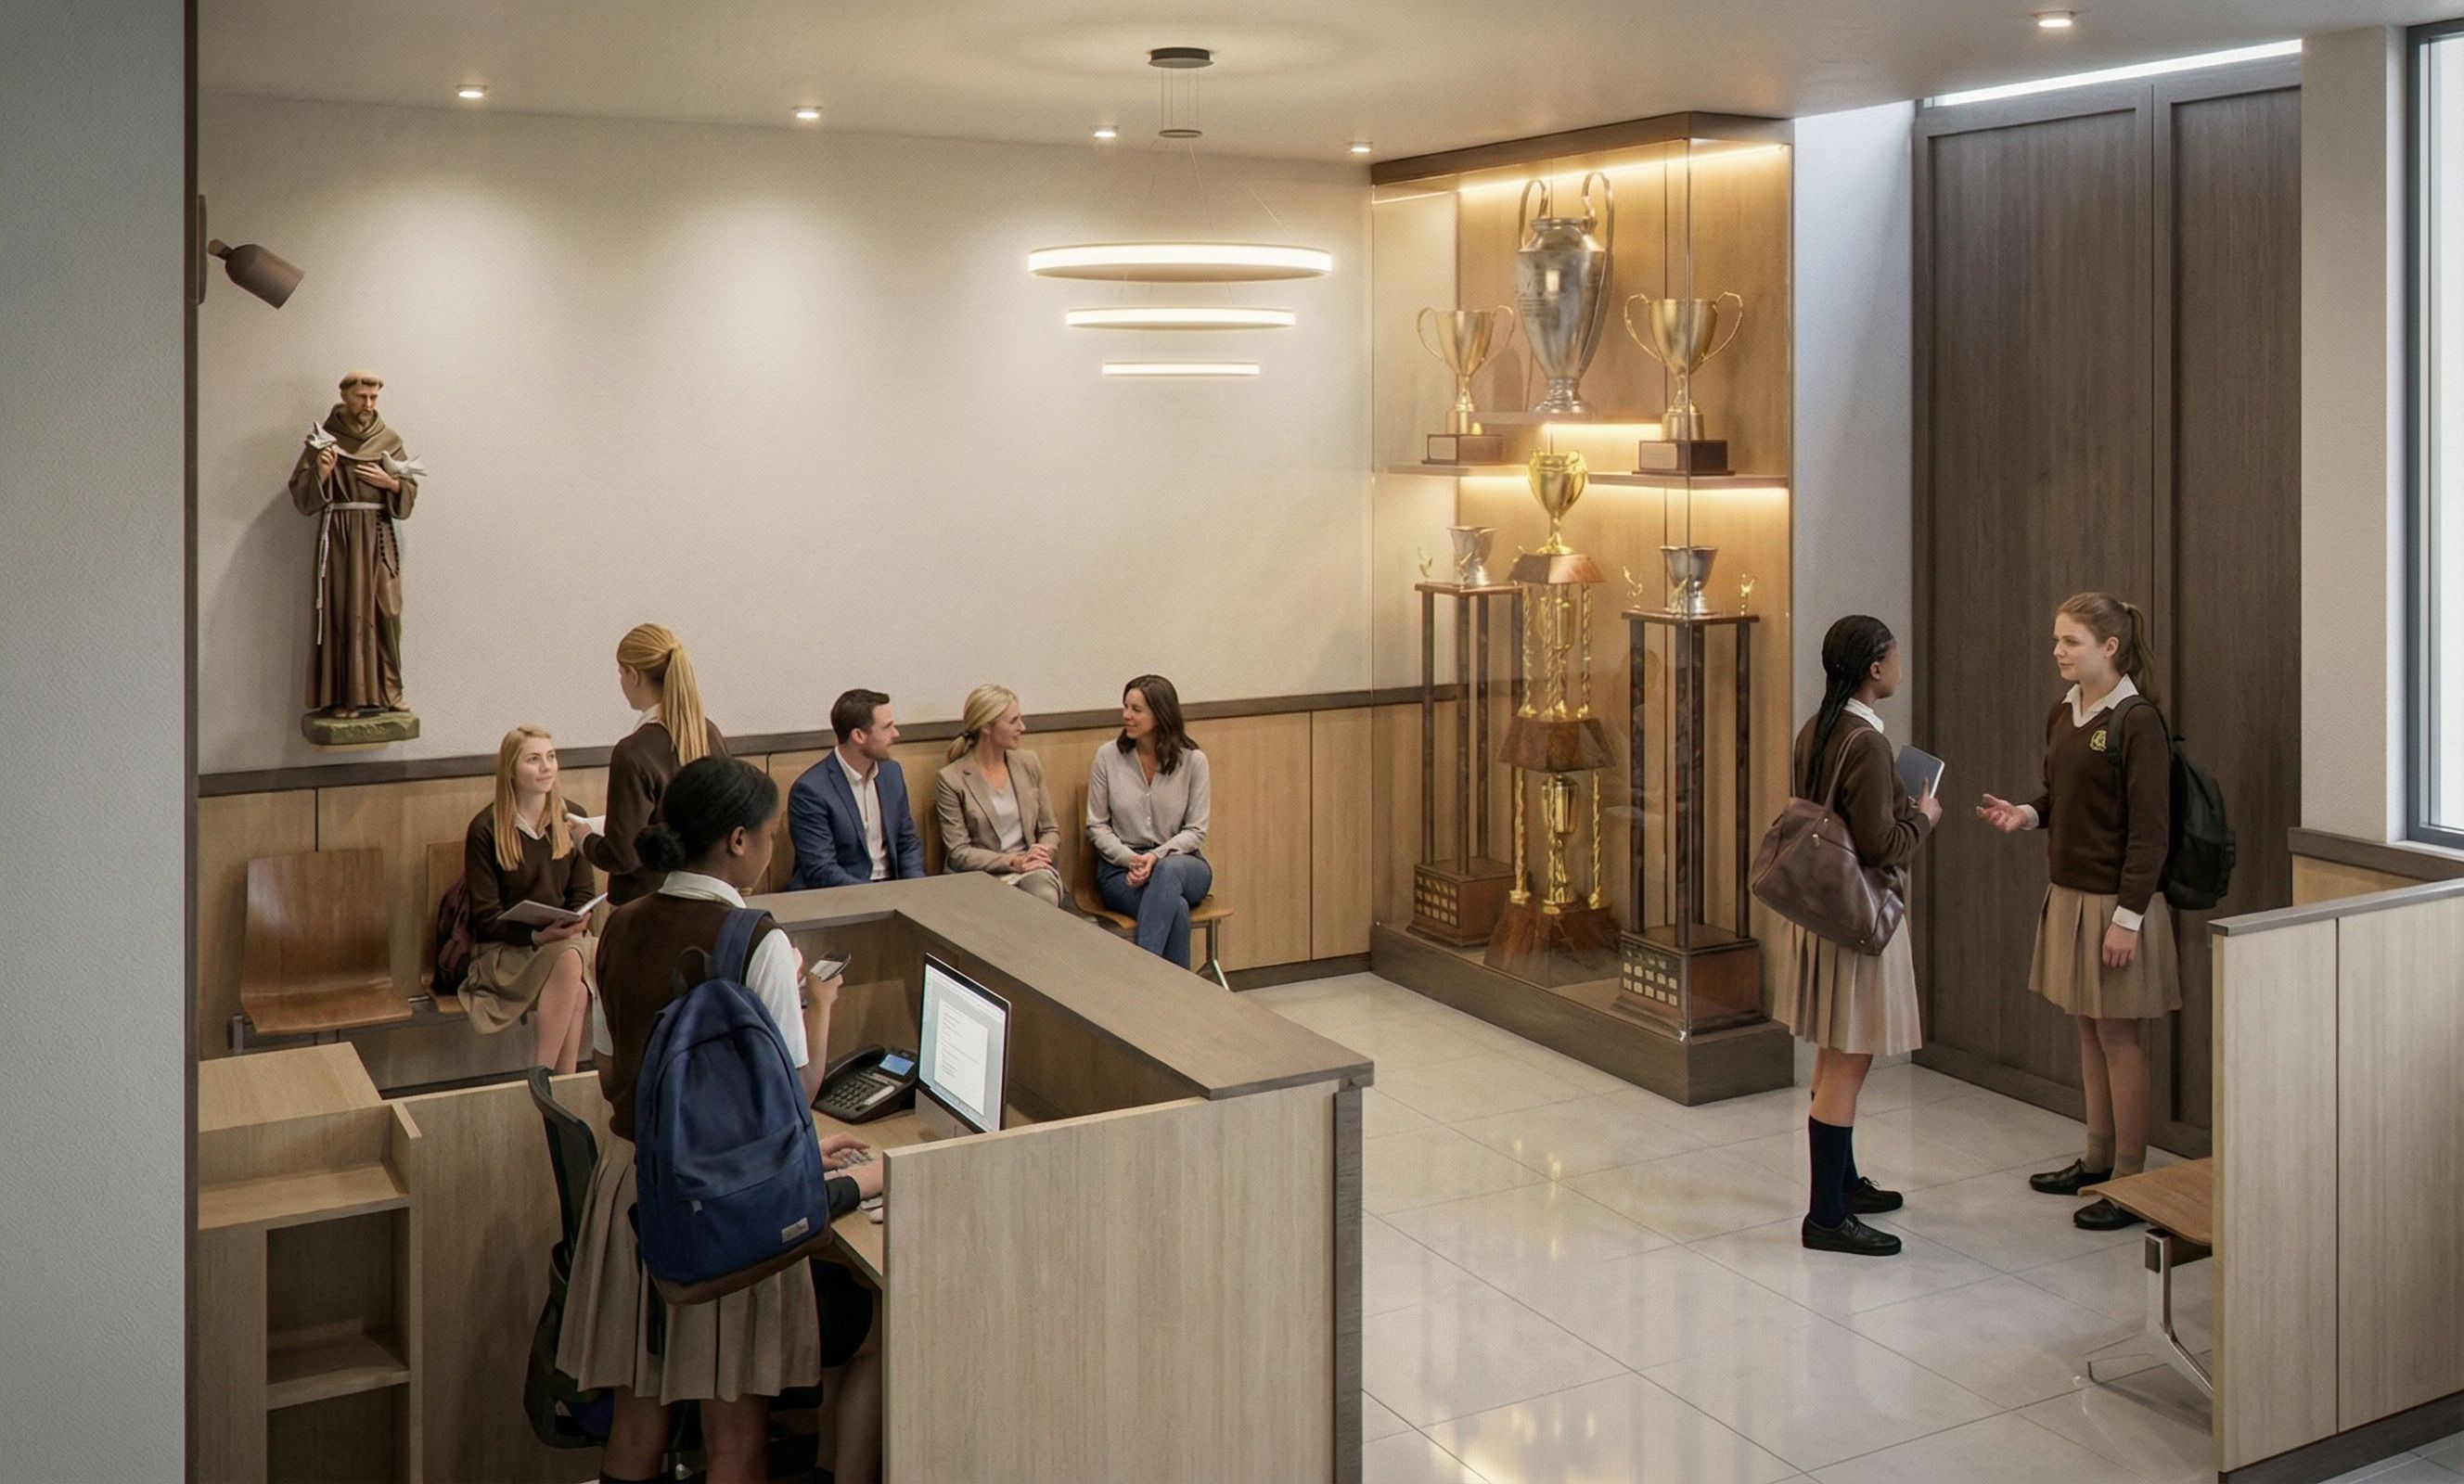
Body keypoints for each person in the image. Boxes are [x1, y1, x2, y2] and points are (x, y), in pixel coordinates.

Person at [558, 757, 883, 1484]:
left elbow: (608, 1075)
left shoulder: (620, 924)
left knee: (638, 1418)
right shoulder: (753, 939)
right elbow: (795, 1094)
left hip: (630, 1189)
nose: (773, 848)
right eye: (770, 834)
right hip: (719, 1205)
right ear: (738, 840)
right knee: (734, 1435)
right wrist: (820, 1007)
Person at [1978, 592, 2181, 1232]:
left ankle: (2131, 1178)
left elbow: (2150, 831)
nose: (2058, 652)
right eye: (2057, 640)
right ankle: (2096, 1159)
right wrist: (2027, 814)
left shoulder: (2136, 721)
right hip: (2068, 894)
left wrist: (2128, 918)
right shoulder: (2064, 712)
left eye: (2071, 641)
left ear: (2110, 647)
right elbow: (2060, 795)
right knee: (2089, 1031)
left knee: (2119, 1037)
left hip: (2117, 903)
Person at [1774, 618, 1941, 1257]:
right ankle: (1826, 1216)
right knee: (1851, 1056)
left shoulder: (1817, 727)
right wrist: (1922, 818)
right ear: (1876, 668)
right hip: (1861, 920)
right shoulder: (1866, 743)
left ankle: (1842, 1186)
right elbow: (1881, 845)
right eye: (1894, 657)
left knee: (1833, 1050)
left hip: (1824, 913)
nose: (1900, 666)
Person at [459, 726, 597, 1072]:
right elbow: (487, 917)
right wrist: (537, 935)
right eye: (534, 759)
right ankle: (549, 1077)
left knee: (577, 959)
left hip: (565, 941)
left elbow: (583, 894)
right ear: (511, 769)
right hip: (509, 951)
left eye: (551, 757)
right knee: (574, 970)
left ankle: (553, 1084)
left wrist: (574, 921)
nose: (546, 767)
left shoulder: (571, 818)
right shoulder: (486, 828)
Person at [286, 369, 419, 721]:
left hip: (378, 534)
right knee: (346, 612)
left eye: (374, 397)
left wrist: (392, 484)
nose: (369, 404)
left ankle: (390, 691)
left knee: (388, 612)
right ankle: (348, 697)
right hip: (342, 537)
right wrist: (322, 473)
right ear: (345, 396)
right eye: (362, 397)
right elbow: (301, 494)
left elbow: (408, 490)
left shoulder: (389, 439)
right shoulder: (325, 440)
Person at [570, 623, 725, 906]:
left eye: (621, 673)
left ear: (633, 675)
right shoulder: (709, 734)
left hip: (647, 905)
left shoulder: (633, 751)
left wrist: (584, 839)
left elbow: (623, 856)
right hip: (708, 895)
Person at [1087, 674, 1213, 966]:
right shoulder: (1107, 757)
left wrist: (1156, 857)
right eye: (1125, 707)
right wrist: (1132, 859)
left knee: (1167, 871)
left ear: (1160, 714)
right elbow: (1096, 825)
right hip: (1122, 869)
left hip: (1182, 863)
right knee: (1176, 908)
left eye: (1136, 710)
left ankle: (1142, 976)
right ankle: (1175, 991)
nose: (1126, 716)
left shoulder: (1193, 761)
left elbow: (1196, 829)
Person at [934, 684, 1064, 908]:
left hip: (1031, 870)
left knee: (1043, 896)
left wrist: (1042, 853)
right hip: (980, 876)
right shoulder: (951, 779)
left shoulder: (1029, 763)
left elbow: (1050, 829)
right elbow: (959, 852)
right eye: (1013, 721)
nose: (1022, 727)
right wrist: (1014, 862)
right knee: (1003, 910)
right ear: (987, 727)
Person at [788, 688, 925, 889]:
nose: (896, 734)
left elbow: (907, 843)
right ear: (859, 736)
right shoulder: (810, 790)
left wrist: (917, 888)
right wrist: (875, 896)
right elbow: (821, 870)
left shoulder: (892, 773)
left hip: (892, 890)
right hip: (840, 895)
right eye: (887, 727)